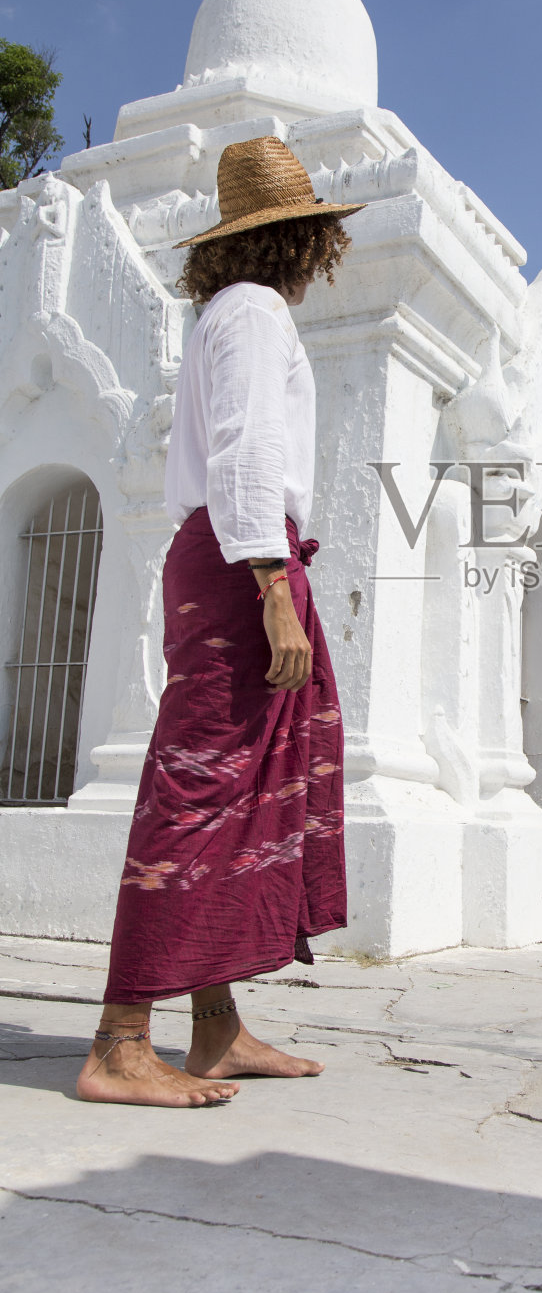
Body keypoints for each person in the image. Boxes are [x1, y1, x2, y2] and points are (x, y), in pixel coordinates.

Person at [77, 136, 364, 1107]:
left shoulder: (237, 311)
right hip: (244, 563)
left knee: (235, 792)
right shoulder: (250, 313)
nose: (329, 249)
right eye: (320, 232)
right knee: (197, 792)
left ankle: (214, 1029)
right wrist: (274, 590)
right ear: (300, 238)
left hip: (245, 552)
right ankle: (119, 1042)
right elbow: (243, 450)